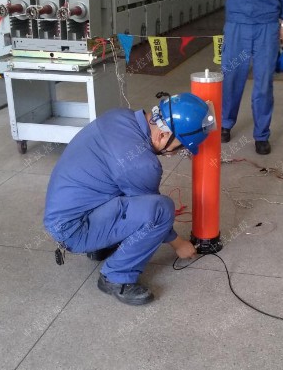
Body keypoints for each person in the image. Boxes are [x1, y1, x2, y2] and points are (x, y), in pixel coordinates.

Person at [43, 92, 216, 306]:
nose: (174, 154)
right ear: (163, 135)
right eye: (179, 147)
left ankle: (99, 245)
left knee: (123, 188)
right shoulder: (143, 164)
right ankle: (116, 277)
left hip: (66, 213)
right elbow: (152, 211)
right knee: (162, 209)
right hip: (74, 230)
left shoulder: (120, 116)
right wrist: (179, 244)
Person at [218, 0, 283, 155]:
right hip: (238, 20)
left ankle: (262, 135)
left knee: (264, 83)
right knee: (231, 77)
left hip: (267, 23)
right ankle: (225, 123)